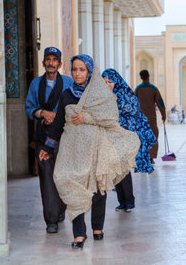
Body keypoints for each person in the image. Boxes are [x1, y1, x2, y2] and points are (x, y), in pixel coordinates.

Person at [38, 54, 140, 250]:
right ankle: (79, 233)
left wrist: (87, 117)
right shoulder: (66, 94)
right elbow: (59, 123)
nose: (77, 73)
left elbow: (111, 119)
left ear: (90, 72)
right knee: (69, 181)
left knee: (97, 187)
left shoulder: (102, 95)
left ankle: (97, 227)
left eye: (81, 70)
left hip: (96, 147)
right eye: (74, 69)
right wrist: (47, 147)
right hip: (72, 150)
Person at [25, 46, 73, 234]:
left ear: (60, 64)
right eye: (48, 59)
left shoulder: (69, 82)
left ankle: (60, 210)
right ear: (43, 62)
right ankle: (51, 220)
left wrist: (58, 116)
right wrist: (42, 113)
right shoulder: (36, 84)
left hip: (65, 137)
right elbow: (29, 109)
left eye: (54, 60)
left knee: (62, 176)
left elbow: (76, 105)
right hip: (43, 138)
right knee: (46, 177)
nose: (51, 63)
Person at [102, 68, 156, 213]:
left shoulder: (125, 93)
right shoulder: (103, 96)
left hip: (126, 136)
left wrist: (116, 101)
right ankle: (123, 202)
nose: (107, 85)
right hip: (111, 138)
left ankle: (129, 201)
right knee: (116, 169)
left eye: (110, 82)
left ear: (117, 81)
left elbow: (133, 108)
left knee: (123, 168)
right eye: (104, 82)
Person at [135, 69, 166, 163]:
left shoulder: (138, 89)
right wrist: (163, 115)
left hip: (141, 119)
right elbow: (160, 103)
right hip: (151, 118)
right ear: (149, 76)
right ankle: (151, 157)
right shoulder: (153, 88)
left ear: (140, 78)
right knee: (153, 136)